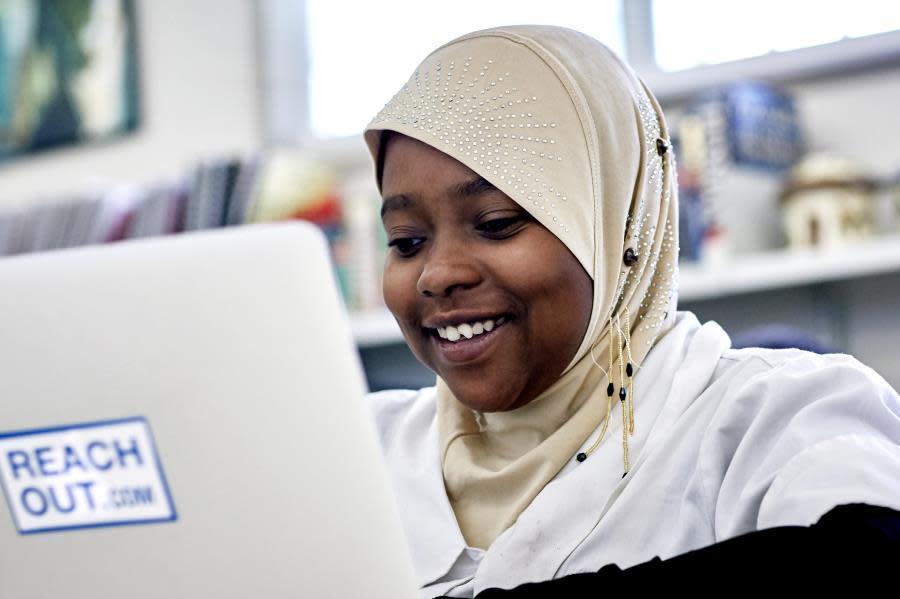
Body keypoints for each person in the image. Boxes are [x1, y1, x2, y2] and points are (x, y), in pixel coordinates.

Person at [362, 26, 900, 597]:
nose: (438, 274)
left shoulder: (780, 415)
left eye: (496, 224)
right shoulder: (362, 448)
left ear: (618, 226)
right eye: (406, 241)